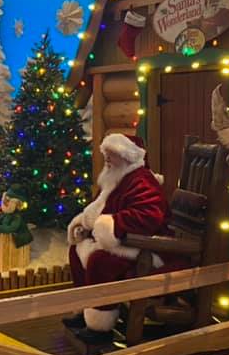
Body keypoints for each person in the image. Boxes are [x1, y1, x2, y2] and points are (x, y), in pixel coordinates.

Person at [63, 133, 176, 342]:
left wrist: (110, 225)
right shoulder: (114, 178)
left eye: (112, 153)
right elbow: (98, 209)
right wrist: (85, 225)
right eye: (106, 152)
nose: (107, 158)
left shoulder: (142, 180)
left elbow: (149, 216)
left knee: (100, 261)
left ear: (127, 156)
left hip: (147, 246)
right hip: (123, 240)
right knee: (76, 249)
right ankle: (84, 309)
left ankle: (100, 326)